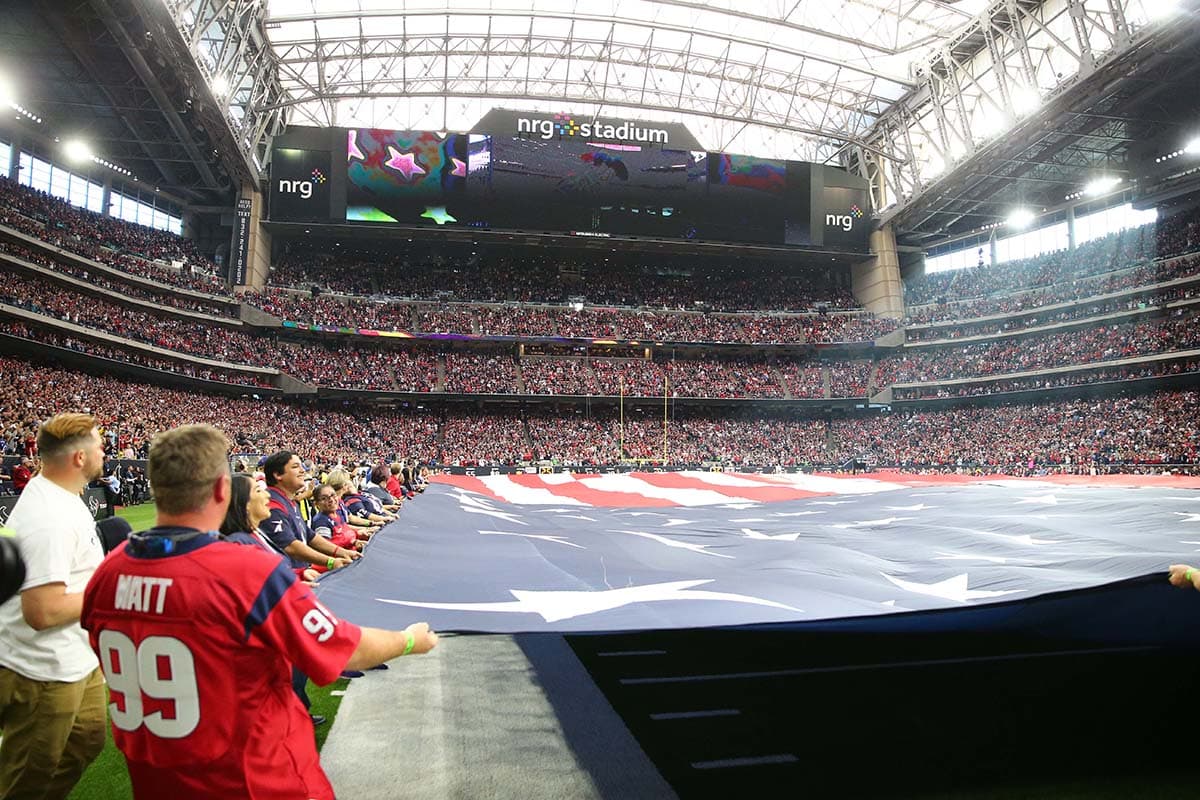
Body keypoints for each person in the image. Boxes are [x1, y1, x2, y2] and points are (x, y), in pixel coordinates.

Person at [81, 424, 438, 799]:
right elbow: (345, 649)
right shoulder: (243, 572)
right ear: (222, 490)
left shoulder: (108, 573)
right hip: (253, 778)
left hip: (159, 780)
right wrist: (410, 638)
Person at [0, 413, 107, 800]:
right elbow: (42, 611)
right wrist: (109, 590)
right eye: (98, 445)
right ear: (79, 457)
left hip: (74, 657)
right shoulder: (49, 517)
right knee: (29, 773)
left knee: (86, 740)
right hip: (42, 667)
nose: (104, 452)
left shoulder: (65, 497)